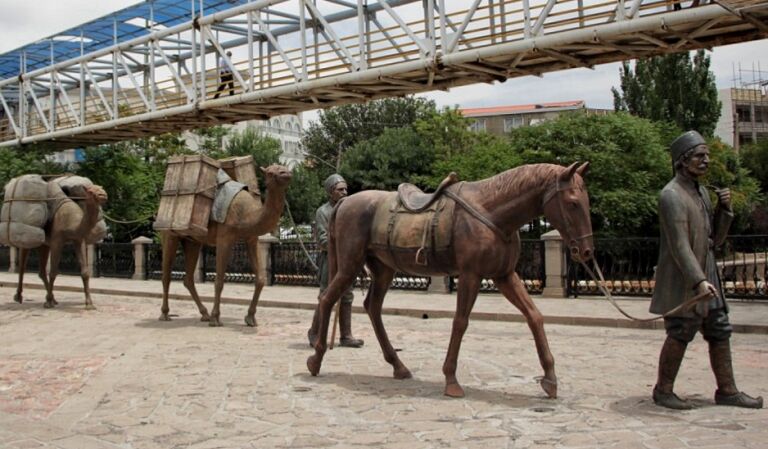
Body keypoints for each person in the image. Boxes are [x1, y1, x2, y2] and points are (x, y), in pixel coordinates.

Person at [650, 130, 762, 410]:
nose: (706, 160)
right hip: (684, 278)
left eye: (707, 155)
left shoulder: (701, 193)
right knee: (681, 330)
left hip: (707, 271)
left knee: (719, 328)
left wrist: (725, 210)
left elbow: (715, 241)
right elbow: (679, 245)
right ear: (682, 160)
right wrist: (698, 281)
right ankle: (663, 390)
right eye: (700, 156)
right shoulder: (671, 195)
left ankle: (727, 390)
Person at [307, 174, 364, 348]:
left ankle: (346, 335)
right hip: (330, 260)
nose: (344, 192)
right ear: (330, 192)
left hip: (347, 261)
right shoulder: (323, 212)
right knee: (326, 296)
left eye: (346, 189)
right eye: (340, 189)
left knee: (347, 296)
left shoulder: (350, 212)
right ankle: (315, 333)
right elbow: (323, 241)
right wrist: (344, 244)